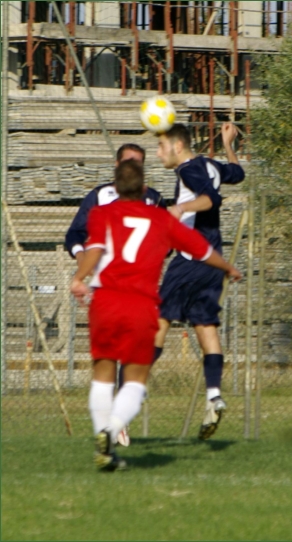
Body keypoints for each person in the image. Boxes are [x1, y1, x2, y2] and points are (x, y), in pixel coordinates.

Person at [70, 160, 241, 471]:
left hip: (105, 301)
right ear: (145, 189)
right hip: (139, 304)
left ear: (115, 188)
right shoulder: (159, 218)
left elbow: (93, 250)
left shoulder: (101, 214)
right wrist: (227, 267)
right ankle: (112, 429)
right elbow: (200, 249)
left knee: (103, 374)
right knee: (136, 380)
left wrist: (79, 278)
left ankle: (103, 441)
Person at [65, 143, 165, 447]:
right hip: (104, 289)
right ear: (116, 164)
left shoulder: (154, 199)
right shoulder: (99, 196)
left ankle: (114, 424)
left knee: (132, 357)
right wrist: (82, 263)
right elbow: (75, 234)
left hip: (139, 290)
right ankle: (111, 424)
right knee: (107, 360)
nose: (133, 166)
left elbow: (166, 241)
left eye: (139, 162)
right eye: (128, 161)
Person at [154, 122, 245, 440]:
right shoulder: (210, 165)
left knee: (158, 322)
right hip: (212, 261)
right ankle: (214, 396)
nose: (158, 153)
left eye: (161, 146)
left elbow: (210, 199)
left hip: (189, 259)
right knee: (206, 328)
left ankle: (128, 392)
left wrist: (181, 207)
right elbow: (237, 173)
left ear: (178, 146)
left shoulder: (188, 169)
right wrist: (228, 144)